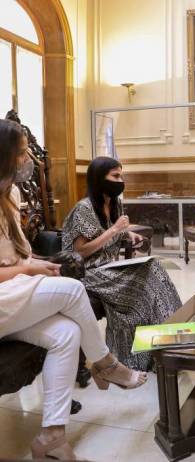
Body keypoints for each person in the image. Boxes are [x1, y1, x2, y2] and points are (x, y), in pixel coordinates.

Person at [0, 119, 146, 460]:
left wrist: (37, 263)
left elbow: (15, 256)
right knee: (72, 290)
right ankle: (106, 364)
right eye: (22, 153)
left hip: (12, 294)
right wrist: (31, 269)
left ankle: (52, 435)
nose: (28, 161)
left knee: (67, 333)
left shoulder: (11, 195)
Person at [62, 157, 182, 371]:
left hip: (108, 269)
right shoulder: (84, 208)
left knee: (155, 272)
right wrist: (115, 230)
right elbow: (79, 252)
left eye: (121, 176)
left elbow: (111, 233)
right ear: (99, 178)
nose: (120, 181)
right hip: (87, 273)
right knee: (148, 276)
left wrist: (128, 235)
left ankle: (172, 346)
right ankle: (154, 352)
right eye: (115, 176)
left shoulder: (114, 203)